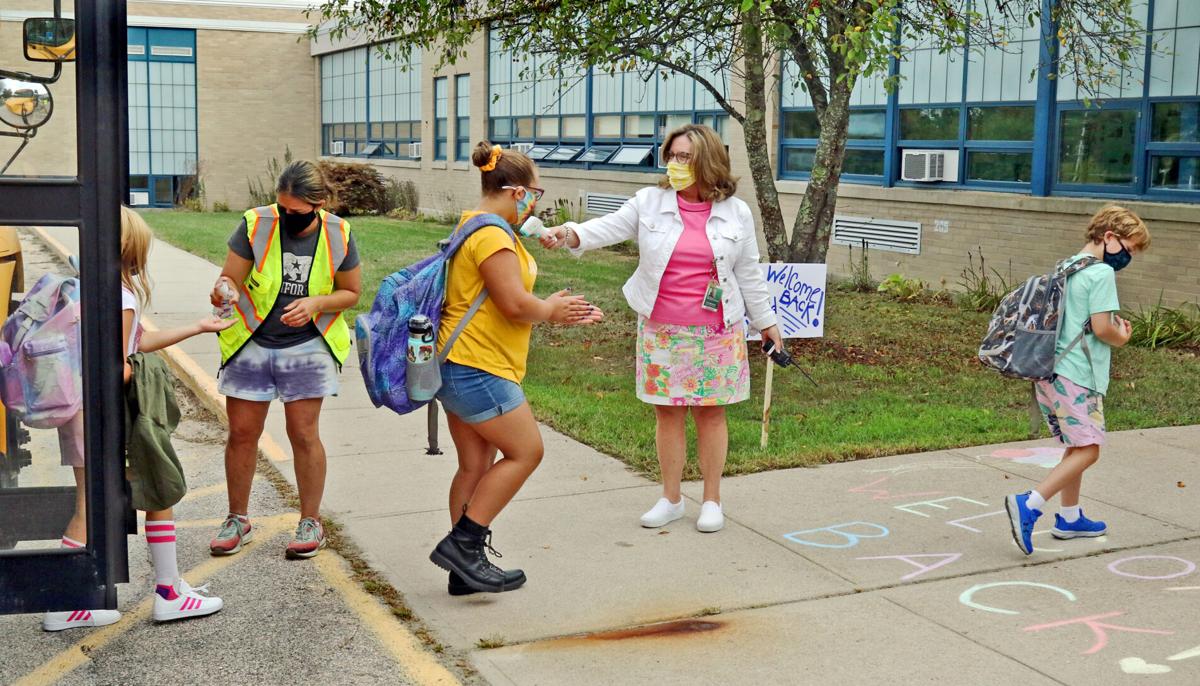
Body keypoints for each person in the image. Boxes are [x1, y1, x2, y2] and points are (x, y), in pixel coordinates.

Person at [541, 124, 781, 534]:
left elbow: (749, 273)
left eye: (685, 157)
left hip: (717, 331)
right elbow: (608, 227)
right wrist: (568, 233)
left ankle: (711, 500)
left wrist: (767, 323)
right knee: (667, 414)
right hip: (662, 330)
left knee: (711, 415)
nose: (675, 164)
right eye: (671, 155)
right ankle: (671, 498)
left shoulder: (735, 212)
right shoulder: (650, 202)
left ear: (707, 161)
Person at [44, 206, 231, 631]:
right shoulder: (121, 295)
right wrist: (138, 372)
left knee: (92, 503)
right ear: (131, 249)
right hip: (108, 415)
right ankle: (165, 593)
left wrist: (198, 327)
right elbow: (120, 363)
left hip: (82, 411)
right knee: (157, 491)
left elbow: (137, 339)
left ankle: (75, 599)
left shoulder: (93, 287)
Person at [429, 141, 602, 594]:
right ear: (514, 190)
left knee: (474, 464)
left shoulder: (477, 225)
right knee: (527, 452)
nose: (535, 202)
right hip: (478, 365)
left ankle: (464, 572)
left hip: (458, 360)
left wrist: (559, 301)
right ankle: (464, 546)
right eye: (535, 194)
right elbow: (513, 303)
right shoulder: (491, 236)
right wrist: (551, 310)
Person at [208, 161, 361, 560]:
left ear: (319, 203)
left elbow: (351, 293)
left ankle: (311, 522)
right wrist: (223, 289)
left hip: (309, 344)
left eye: (296, 212)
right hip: (252, 341)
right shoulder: (256, 224)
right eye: (281, 208)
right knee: (242, 433)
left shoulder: (338, 233)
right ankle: (237, 519)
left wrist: (315, 304)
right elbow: (230, 280)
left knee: (303, 433)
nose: (286, 217)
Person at [1005, 205, 1152, 555]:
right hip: (1077, 374)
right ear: (1110, 237)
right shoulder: (1100, 273)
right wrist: (1123, 336)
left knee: (1076, 444)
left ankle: (1069, 519)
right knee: (1089, 449)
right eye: (1129, 249)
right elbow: (1102, 328)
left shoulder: (1068, 266)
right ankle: (1030, 503)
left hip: (1049, 369)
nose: (1128, 257)